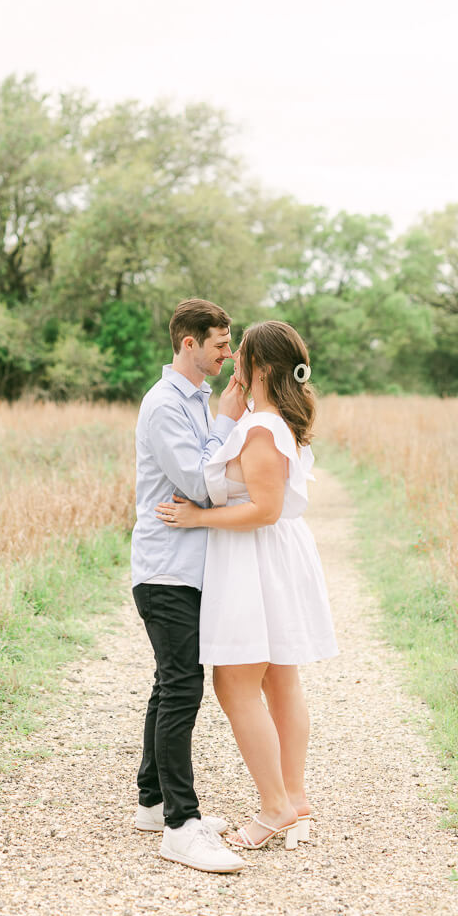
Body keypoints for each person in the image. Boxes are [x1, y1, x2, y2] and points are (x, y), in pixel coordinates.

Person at [156, 320, 338, 852]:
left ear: (258, 368)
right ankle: (295, 798)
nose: (231, 360)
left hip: (255, 561)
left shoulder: (262, 429)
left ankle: (276, 806)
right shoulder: (269, 422)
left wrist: (196, 519)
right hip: (269, 560)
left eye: (242, 357)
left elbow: (264, 509)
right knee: (280, 681)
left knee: (235, 685)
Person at [131, 298, 247, 874]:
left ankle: (152, 802)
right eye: (221, 343)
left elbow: (210, 474)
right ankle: (181, 825)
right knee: (182, 688)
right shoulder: (164, 407)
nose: (228, 353)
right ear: (188, 343)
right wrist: (226, 423)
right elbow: (202, 483)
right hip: (165, 570)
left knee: (168, 683)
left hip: (185, 569)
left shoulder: (196, 400)